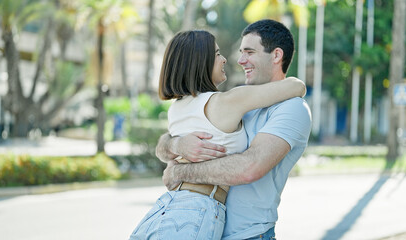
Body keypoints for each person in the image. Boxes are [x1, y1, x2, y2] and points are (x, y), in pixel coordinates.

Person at [128, 30, 306, 240]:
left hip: (168, 206)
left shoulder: (176, 109)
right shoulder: (227, 102)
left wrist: (174, 150)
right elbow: (297, 86)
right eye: (217, 54)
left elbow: (164, 144)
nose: (225, 60)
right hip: (197, 210)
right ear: (200, 62)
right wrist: (174, 145)